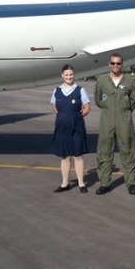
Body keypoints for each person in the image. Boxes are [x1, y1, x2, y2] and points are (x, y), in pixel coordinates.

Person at [94, 53, 135, 195]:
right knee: (104, 150)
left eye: (118, 63)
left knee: (128, 149)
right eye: (113, 63)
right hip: (106, 119)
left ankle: (131, 182)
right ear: (109, 64)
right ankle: (105, 183)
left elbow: (133, 100)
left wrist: (123, 110)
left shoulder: (129, 81)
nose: (115, 66)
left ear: (122, 64)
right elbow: (98, 100)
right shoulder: (102, 81)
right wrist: (109, 109)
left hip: (124, 119)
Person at [51, 64, 91, 193]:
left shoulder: (80, 90)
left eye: (71, 74)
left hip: (77, 127)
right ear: (62, 75)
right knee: (65, 156)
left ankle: (81, 183)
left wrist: (76, 117)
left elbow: (87, 107)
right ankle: (65, 183)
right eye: (66, 75)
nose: (69, 77)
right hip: (62, 126)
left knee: (78, 155)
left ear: (74, 75)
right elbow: (54, 107)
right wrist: (63, 117)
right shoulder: (56, 90)